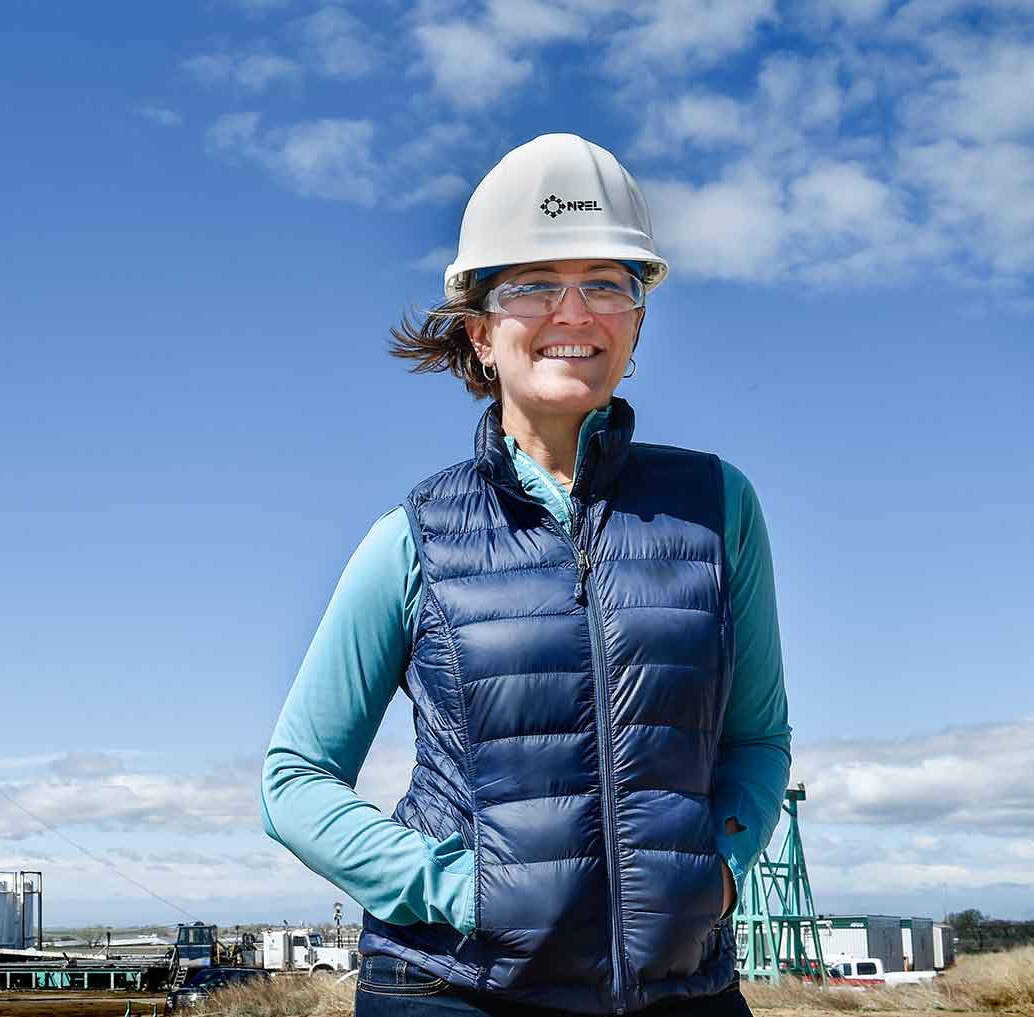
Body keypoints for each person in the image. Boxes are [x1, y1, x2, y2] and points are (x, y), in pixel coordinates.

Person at [259, 134, 791, 1016]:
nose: (573, 313)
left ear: (638, 320)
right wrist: (459, 891)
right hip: (455, 988)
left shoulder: (719, 507)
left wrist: (719, 873)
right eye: (534, 284)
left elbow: (757, 741)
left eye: (607, 283)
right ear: (480, 329)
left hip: (682, 990)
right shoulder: (415, 538)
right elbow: (295, 780)